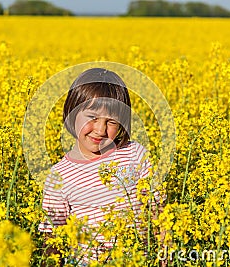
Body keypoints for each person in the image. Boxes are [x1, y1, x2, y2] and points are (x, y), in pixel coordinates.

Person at [38, 68, 158, 266]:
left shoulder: (135, 154)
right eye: (92, 118)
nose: (100, 130)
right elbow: (53, 238)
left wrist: (166, 252)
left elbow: (158, 211)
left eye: (111, 121)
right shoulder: (59, 176)